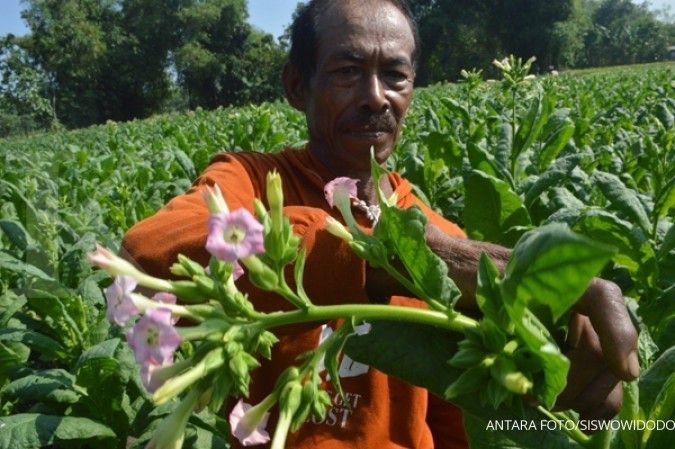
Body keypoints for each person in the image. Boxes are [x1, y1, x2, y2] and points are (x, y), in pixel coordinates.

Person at [122, 1, 639, 448]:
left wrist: (545, 398)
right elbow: (150, 249)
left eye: (395, 75)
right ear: (297, 85)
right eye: (347, 71)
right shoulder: (250, 180)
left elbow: (460, 422)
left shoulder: (441, 234)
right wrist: (394, 259)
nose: (375, 97)